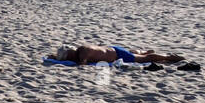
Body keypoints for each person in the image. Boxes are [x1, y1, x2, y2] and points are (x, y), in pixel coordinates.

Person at [52, 44, 184, 65]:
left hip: (116, 55)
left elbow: (82, 64)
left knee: (144, 59)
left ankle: (168, 57)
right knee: (134, 54)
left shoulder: (83, 53)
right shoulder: (81, 50)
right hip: (112, 50)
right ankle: (141, 50)